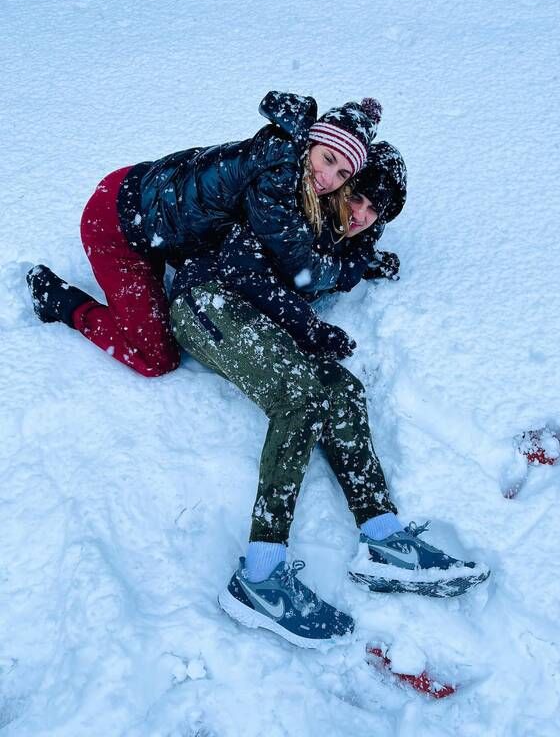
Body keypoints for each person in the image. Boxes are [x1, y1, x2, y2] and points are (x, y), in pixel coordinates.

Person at [169, 143, 490, 649]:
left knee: (342, 390)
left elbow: (328, 267)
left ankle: (384, 537)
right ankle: (261, 575)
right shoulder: (292, 205)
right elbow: (248, 271)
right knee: (298, 394)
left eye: (374, 210)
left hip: (260, 322)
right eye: (356, 198)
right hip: (206, 300)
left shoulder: (339, 244)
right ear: (339, 185)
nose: (361, 215)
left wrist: (367, 263)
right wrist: (312, 327)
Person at [25, 91, 382, 377]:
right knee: (155, 358)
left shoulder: (289, 160)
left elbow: (300, 239)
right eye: (328, 159)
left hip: (144, 196)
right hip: (115, 225)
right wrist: (344, 274)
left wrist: (363, 253)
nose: (328, 178)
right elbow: (298, 265)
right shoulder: (277, 177)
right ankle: (61, 303)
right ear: (312, 143)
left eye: (343, 174)